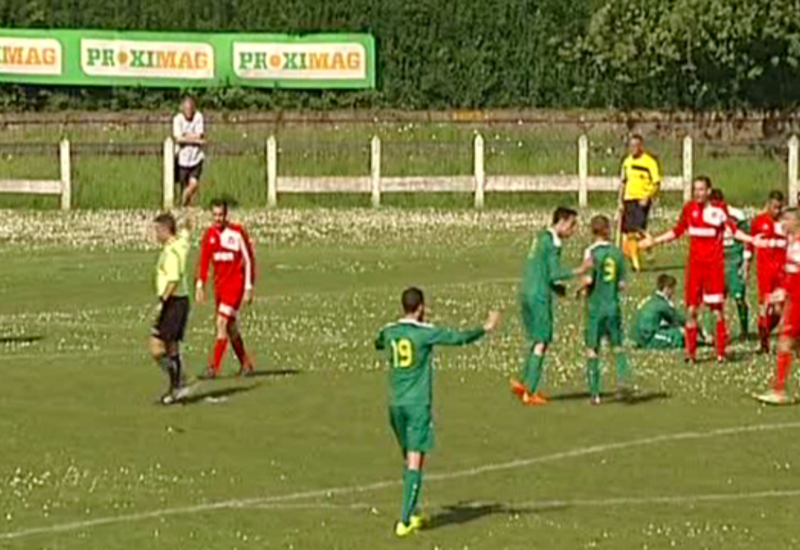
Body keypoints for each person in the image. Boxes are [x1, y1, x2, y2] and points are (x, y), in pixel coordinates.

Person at [375, 287, 501, 537]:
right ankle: (404, 521)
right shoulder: (426, 333)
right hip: (417, 405)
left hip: (395, 405)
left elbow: (378, 342)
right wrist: (484, 328)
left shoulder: (388, 330)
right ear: (420, 307)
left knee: (408, 457)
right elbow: (458, 338)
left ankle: (413, 511)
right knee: (415, 461)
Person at [640, 176, 757, 363]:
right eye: (695, 189)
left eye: (701, 189)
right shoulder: (689, 209)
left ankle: (720, 353)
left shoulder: (718, 211)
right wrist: (654, 240)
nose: (698, 193)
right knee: (692, 310)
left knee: (716, 310)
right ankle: (691, 353)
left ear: (709, 191)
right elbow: (677, 231)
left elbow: (734, 231)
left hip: (713, 269)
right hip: (695, 269)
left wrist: (752, 240)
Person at [510, 206, 585, 406]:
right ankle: (530, 391)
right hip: (539, 296)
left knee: (536, 339)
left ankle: (522, 382)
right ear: (561, 221)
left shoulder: (541, 236)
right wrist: (580, 269)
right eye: (572, 225)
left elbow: (542, 268)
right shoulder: (554, 241)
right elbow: (554, 273)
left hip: (526, 291)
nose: (573, 230)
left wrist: (558, 290)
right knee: (542, 341)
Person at [195, 199, 256, 378]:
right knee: (230, 328)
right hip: (219, 288)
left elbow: (249, 259)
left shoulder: (237, 233)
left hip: (235, 286)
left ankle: (213, 367)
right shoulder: (209, 235)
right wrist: (200, 285)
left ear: (226, 214)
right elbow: (204, 261)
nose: (218, 218)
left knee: (221, 323)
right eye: (214, 215)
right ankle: (246, 364)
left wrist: (248, 287)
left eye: (221, 215)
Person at [576, 215, 631, 404]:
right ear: (608, 229)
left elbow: (589, 279)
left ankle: (595, 394)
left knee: (592, 350)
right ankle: (623, 382)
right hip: (612, 306)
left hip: (595, 308)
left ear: (592, 231)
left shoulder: (591, 252)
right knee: (617, 347)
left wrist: (579, 289)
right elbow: (622, 284)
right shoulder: (617, 252)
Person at [755, 208, 800, 405]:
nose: (783, 223)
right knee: (796, 344)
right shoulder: (791, 242)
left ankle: (779, 390)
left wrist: (784, 292)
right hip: (792, 298)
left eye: (787, 220)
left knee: (785, 340)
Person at [149, 211, 193, 405]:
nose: (155, 234)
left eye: (157, 230)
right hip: (177, 301)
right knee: (162, 346)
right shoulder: (180, 243)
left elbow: (173, 280)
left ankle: (177, 383)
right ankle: (178, 381)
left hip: (174, 301)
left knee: (161, 347)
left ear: (166, 230)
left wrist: (161, 303)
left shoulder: (172, 252)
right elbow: (187, 231)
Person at [702, 189, 751, 343]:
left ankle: (744, 330)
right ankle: (713, 333)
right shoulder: (706, 215)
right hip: (716, 262)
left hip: (734, 261)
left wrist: (746, 262)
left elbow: (747, 239)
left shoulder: (737, 215)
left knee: (739, 297)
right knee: (714, 299)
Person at [751, 190, 787, 353]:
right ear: (768, 205)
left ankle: (768, 333)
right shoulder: (758, 222)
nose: (777, 211)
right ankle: (763, 343)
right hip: (765, 273)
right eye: (774, 207)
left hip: (781, 273)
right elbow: (749, 244)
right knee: (764, 308)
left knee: (780, 309)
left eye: (780, 208)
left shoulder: (786, 224)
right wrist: (745, 264)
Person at [618, 135, 662, 272]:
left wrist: (648, 196)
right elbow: (623, 182)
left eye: (635, 146)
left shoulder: (649, 162)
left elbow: (656, 183)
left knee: (637, 230)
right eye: (630, 146)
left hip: (641, 200)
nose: (632, 149)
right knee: (628, 233)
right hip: (628, 199)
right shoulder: (627, 162)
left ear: (641, 146)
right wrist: (620, 200)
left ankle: (649, 245)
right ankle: (635, 263)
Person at [634, 274, 686, 349]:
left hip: (639, 336)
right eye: (672, 289)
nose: (673, 293)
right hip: (649, 337)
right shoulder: (662, 304)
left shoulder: (651, 299)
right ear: (666, 289)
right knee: (677, 335)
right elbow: (678, 319)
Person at [173, 97, 205, 206]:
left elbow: (200, 134)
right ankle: (185, 206)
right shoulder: (177, 119)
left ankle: (185, 200)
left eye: (190, 109)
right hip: (182, 158)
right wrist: (194, 139)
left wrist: (186, 136)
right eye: (186, 109)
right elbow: (178, 138)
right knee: (183, 185)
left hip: (196, 157)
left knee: (193, 185)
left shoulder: (198, 117)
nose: (189, 112)